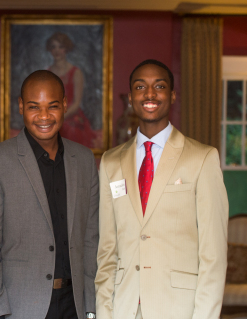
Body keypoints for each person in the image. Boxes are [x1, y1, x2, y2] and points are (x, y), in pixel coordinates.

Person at [95, 59, 228, 319]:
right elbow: (107, 251)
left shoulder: (202, 158)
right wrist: (104, 312)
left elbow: (213, 256)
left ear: (173, 95)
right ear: (131, 97)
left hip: (180, 309)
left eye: (160, 86)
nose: (150, 94)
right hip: (124, 308)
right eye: (140, 87)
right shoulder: (110, 162)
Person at [0, 70, 99, 319]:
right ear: (21, 106)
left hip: (75, 305)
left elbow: (91, 239)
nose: (44, 116)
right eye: (34, 107)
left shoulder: (85, 160)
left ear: (65, 105)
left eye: (52, 106)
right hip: (20, 307)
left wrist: (91, 307)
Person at [46, 32, 98, 148]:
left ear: (66, 49)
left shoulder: (76, 72)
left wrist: (60, 117)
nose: (57, 50)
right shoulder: (47, 73)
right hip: (52, 114)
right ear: (49, 49)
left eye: (61, 47)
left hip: (71, 114)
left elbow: (76, 102)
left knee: (69, 129)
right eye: (53, 47)